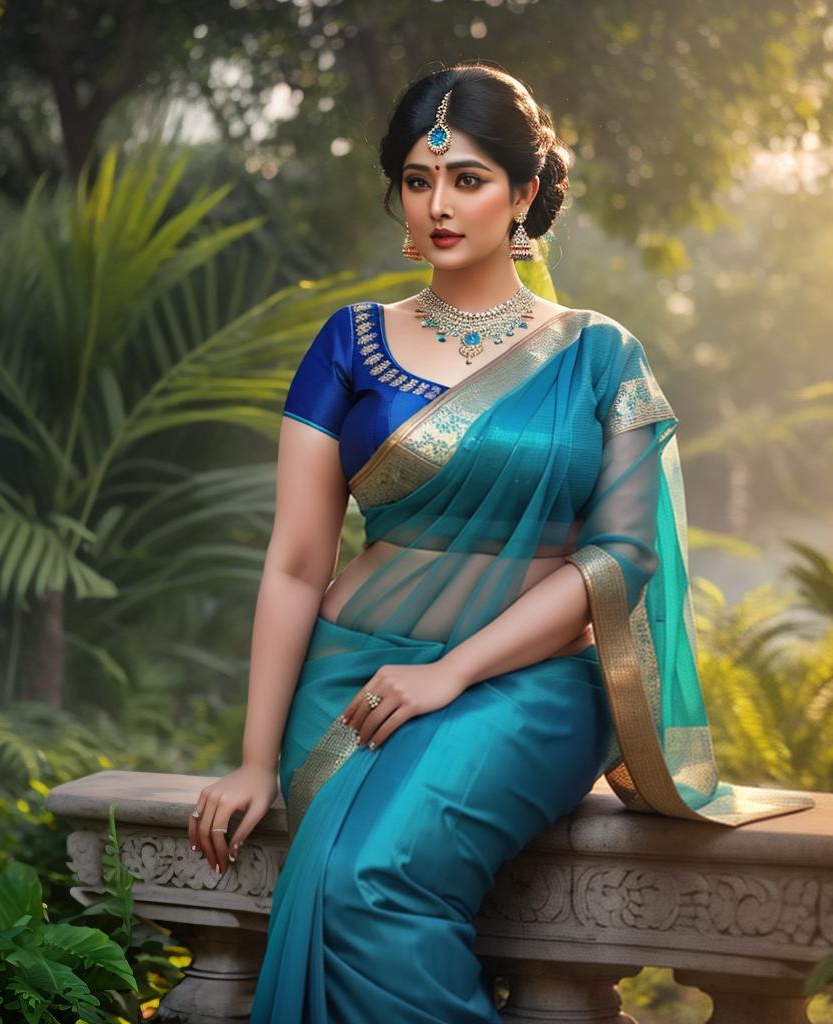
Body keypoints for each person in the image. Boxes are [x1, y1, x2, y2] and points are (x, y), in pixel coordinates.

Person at [185, 62, 815, 1023]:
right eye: (417, 179)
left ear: (524, 193)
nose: (440, 204)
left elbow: (619, 560)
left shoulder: (600, 355)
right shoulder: (349, 345)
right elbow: (297, 563)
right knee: (344, 877)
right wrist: (254, 759)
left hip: (534, 682)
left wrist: (454, 671)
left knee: (371, 880)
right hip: (355, 675)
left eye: (468, 178)